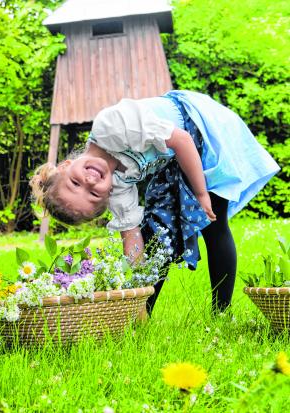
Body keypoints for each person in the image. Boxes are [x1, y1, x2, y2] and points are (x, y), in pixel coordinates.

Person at [30, 90, 280, 314]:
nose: (90, 182)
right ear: (106, 197)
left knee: (213, 222)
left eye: (75, 182)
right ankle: (141, 312)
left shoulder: (111, 126)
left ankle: (221, 312)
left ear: (66, 165)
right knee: (156, 235)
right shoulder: (117, 186)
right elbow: (131, 237)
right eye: (94, 194)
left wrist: (201, 193)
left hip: (197, 125)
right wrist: (136, 282)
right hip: (175, 155)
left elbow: (181, 140)